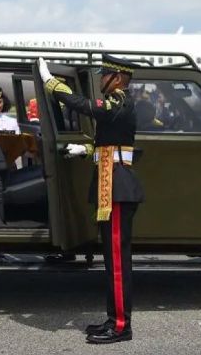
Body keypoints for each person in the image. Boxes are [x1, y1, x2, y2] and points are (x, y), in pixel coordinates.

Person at [38, 55, 144, 344]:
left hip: (119, 190)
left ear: (118, 79)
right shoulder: (118, 105)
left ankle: (121, 326)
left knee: (118, 263)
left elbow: (85, 106)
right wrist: (85, 150)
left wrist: (52, 83)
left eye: (104, 75)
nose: (100, 80)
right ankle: (114, 320)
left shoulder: (119, 102)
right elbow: (110, 147)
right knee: (112, 262)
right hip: (112, 187)